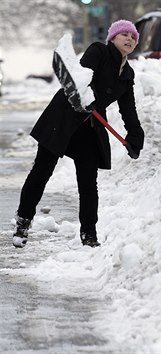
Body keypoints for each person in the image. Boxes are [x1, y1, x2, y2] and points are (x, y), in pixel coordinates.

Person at [12, 20, 144, 248]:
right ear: (112, 37)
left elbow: (128, 108)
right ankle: (23, 222)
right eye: (124, 34)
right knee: (42, 171)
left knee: (88, 181)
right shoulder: (98, 51)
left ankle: (89, 234)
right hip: (63, 118)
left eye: (133, 36)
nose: (129, 39)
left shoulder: (127, 74)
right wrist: (87, 94)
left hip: (90, 127)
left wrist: (135, 134)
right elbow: (79, 78)